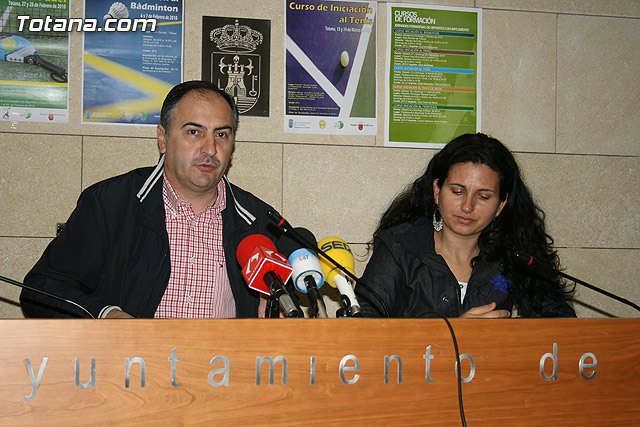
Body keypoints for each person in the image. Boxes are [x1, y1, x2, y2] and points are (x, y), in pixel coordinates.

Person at [20, 80, 281, 318]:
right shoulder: (110, 204)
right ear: (163, 139)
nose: (210, 149)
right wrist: (106, 315)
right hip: (130, 355)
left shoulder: (259, 221)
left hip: (222, 357)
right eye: (194, 132)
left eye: (221, 134)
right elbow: (42, 290)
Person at [356, 133, 575, 318]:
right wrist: (454, 333)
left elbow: (561, 323)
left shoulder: (513, 254)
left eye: (483, 196)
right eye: (458, 191)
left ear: (501, 204)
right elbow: (363, 329)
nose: (467, 207)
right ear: (437, 190)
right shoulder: (399, 247)